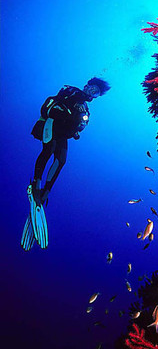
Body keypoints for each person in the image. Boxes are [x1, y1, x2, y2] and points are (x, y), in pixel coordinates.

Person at [21, 77, 111, 251]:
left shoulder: (86, 108)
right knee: (48, 149)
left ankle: (45, 193)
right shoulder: (71, 91)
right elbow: (53, 104)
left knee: (61, 161)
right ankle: (37, 184)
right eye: (92, 88)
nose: (92, 93)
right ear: (87, 85)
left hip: (63, 133)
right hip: (51, 125)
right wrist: (64, 114)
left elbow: (80, 126)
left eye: (96, 93)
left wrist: (78, 127)